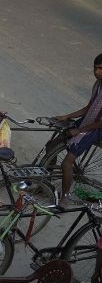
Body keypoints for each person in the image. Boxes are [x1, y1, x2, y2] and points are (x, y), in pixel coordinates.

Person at [51, 53, 102, 202]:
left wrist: (79, 130)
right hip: (87, 121)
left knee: (67, 163)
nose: (97, 72)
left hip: (96, 128)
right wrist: (67, 116)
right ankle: (43, 185)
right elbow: (89, 107)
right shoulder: (97, 85)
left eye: (101, 69)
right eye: (95, 68)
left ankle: (64, 198)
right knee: (51, 145)